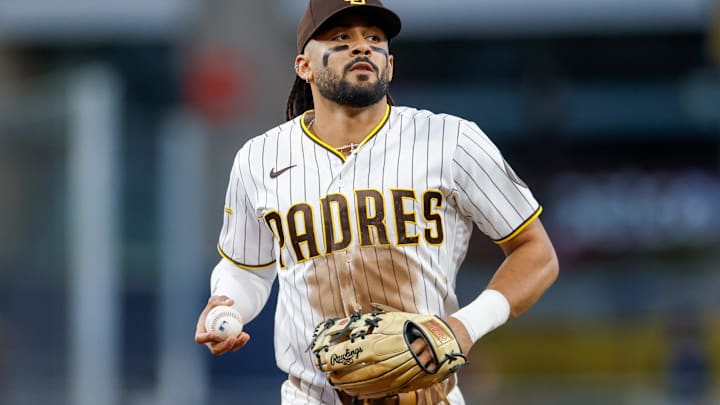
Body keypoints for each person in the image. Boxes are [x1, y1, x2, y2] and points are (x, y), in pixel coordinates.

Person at [194, 0, 559, 404]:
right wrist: (228, 303)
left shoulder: (451, 141)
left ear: (390, 65)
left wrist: (464, 326)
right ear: (304, 66)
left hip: (427, 396)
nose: (362, 47)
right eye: (341, 37)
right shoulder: (259, 158)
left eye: (374, 38)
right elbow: (247, 268)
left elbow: (536, 253)